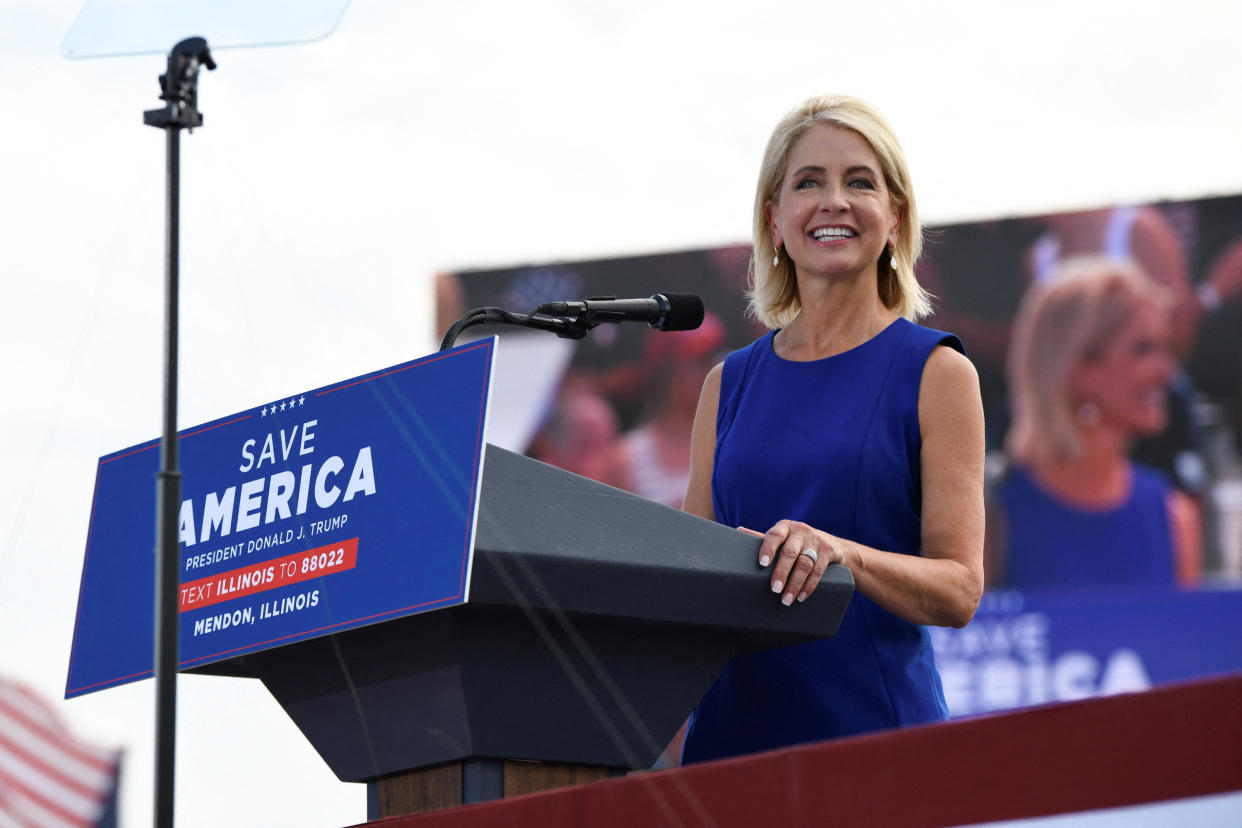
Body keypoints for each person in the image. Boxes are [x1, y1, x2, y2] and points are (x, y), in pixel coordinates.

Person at [680, 95, 985, 763]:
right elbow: (691, 584)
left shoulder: (937, 371)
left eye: (860, 182)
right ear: (775, 218)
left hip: (878, 752)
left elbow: (960, 589)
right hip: (732, 757)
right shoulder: (725, 385)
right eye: (808, 182)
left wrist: (839, 554)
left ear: (896, 216)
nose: (833, 202)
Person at [989, 257, 1203, 588]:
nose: (1168, 372)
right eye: (1144, 349)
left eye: (1166, 348)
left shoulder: (1174, 517)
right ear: (1077, 366)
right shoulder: (991, 520)